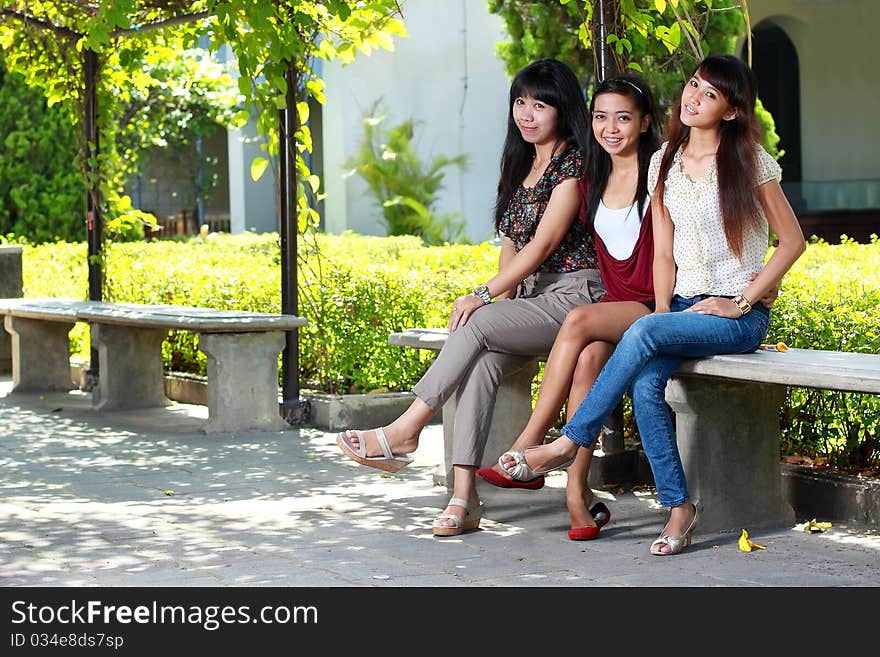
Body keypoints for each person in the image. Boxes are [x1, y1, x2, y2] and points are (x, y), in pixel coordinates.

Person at [499, 54, 806, 555]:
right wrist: (666, 312)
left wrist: (743, 301)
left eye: (709, 94)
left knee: (642, 333)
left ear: (729, 111)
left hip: (734, 319)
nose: (693, 97)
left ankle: (567, 442)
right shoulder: (664, 161)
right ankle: (679, 508)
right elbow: (663, 252)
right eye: (692, 85)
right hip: (682, 311)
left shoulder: (750, 161)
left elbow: (792, 242)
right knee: (646, 388)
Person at [336, 58, 606, 536]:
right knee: (479, 360)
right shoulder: (521, 163)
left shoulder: (573, 160)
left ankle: (405, 431)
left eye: (540, 105)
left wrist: (484, 295)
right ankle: (464, 500)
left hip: (576, 296)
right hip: (533, 299)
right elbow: (512, 243)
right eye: (520, 102)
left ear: (562, 110)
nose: (527, 114)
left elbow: (544, 243)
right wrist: (505, 302)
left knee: (474, 320)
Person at [477, 74, 660, 542]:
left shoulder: (661, 171)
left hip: (650, 306)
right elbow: (536, 234)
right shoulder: (592, 173)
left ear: (644, 123)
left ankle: (528, 445)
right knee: (586, 363)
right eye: (600, 117)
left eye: (623, 118)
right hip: (610, 303)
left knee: (578, 321)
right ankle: (577, 499)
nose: (610, 127)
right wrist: (513, 286)